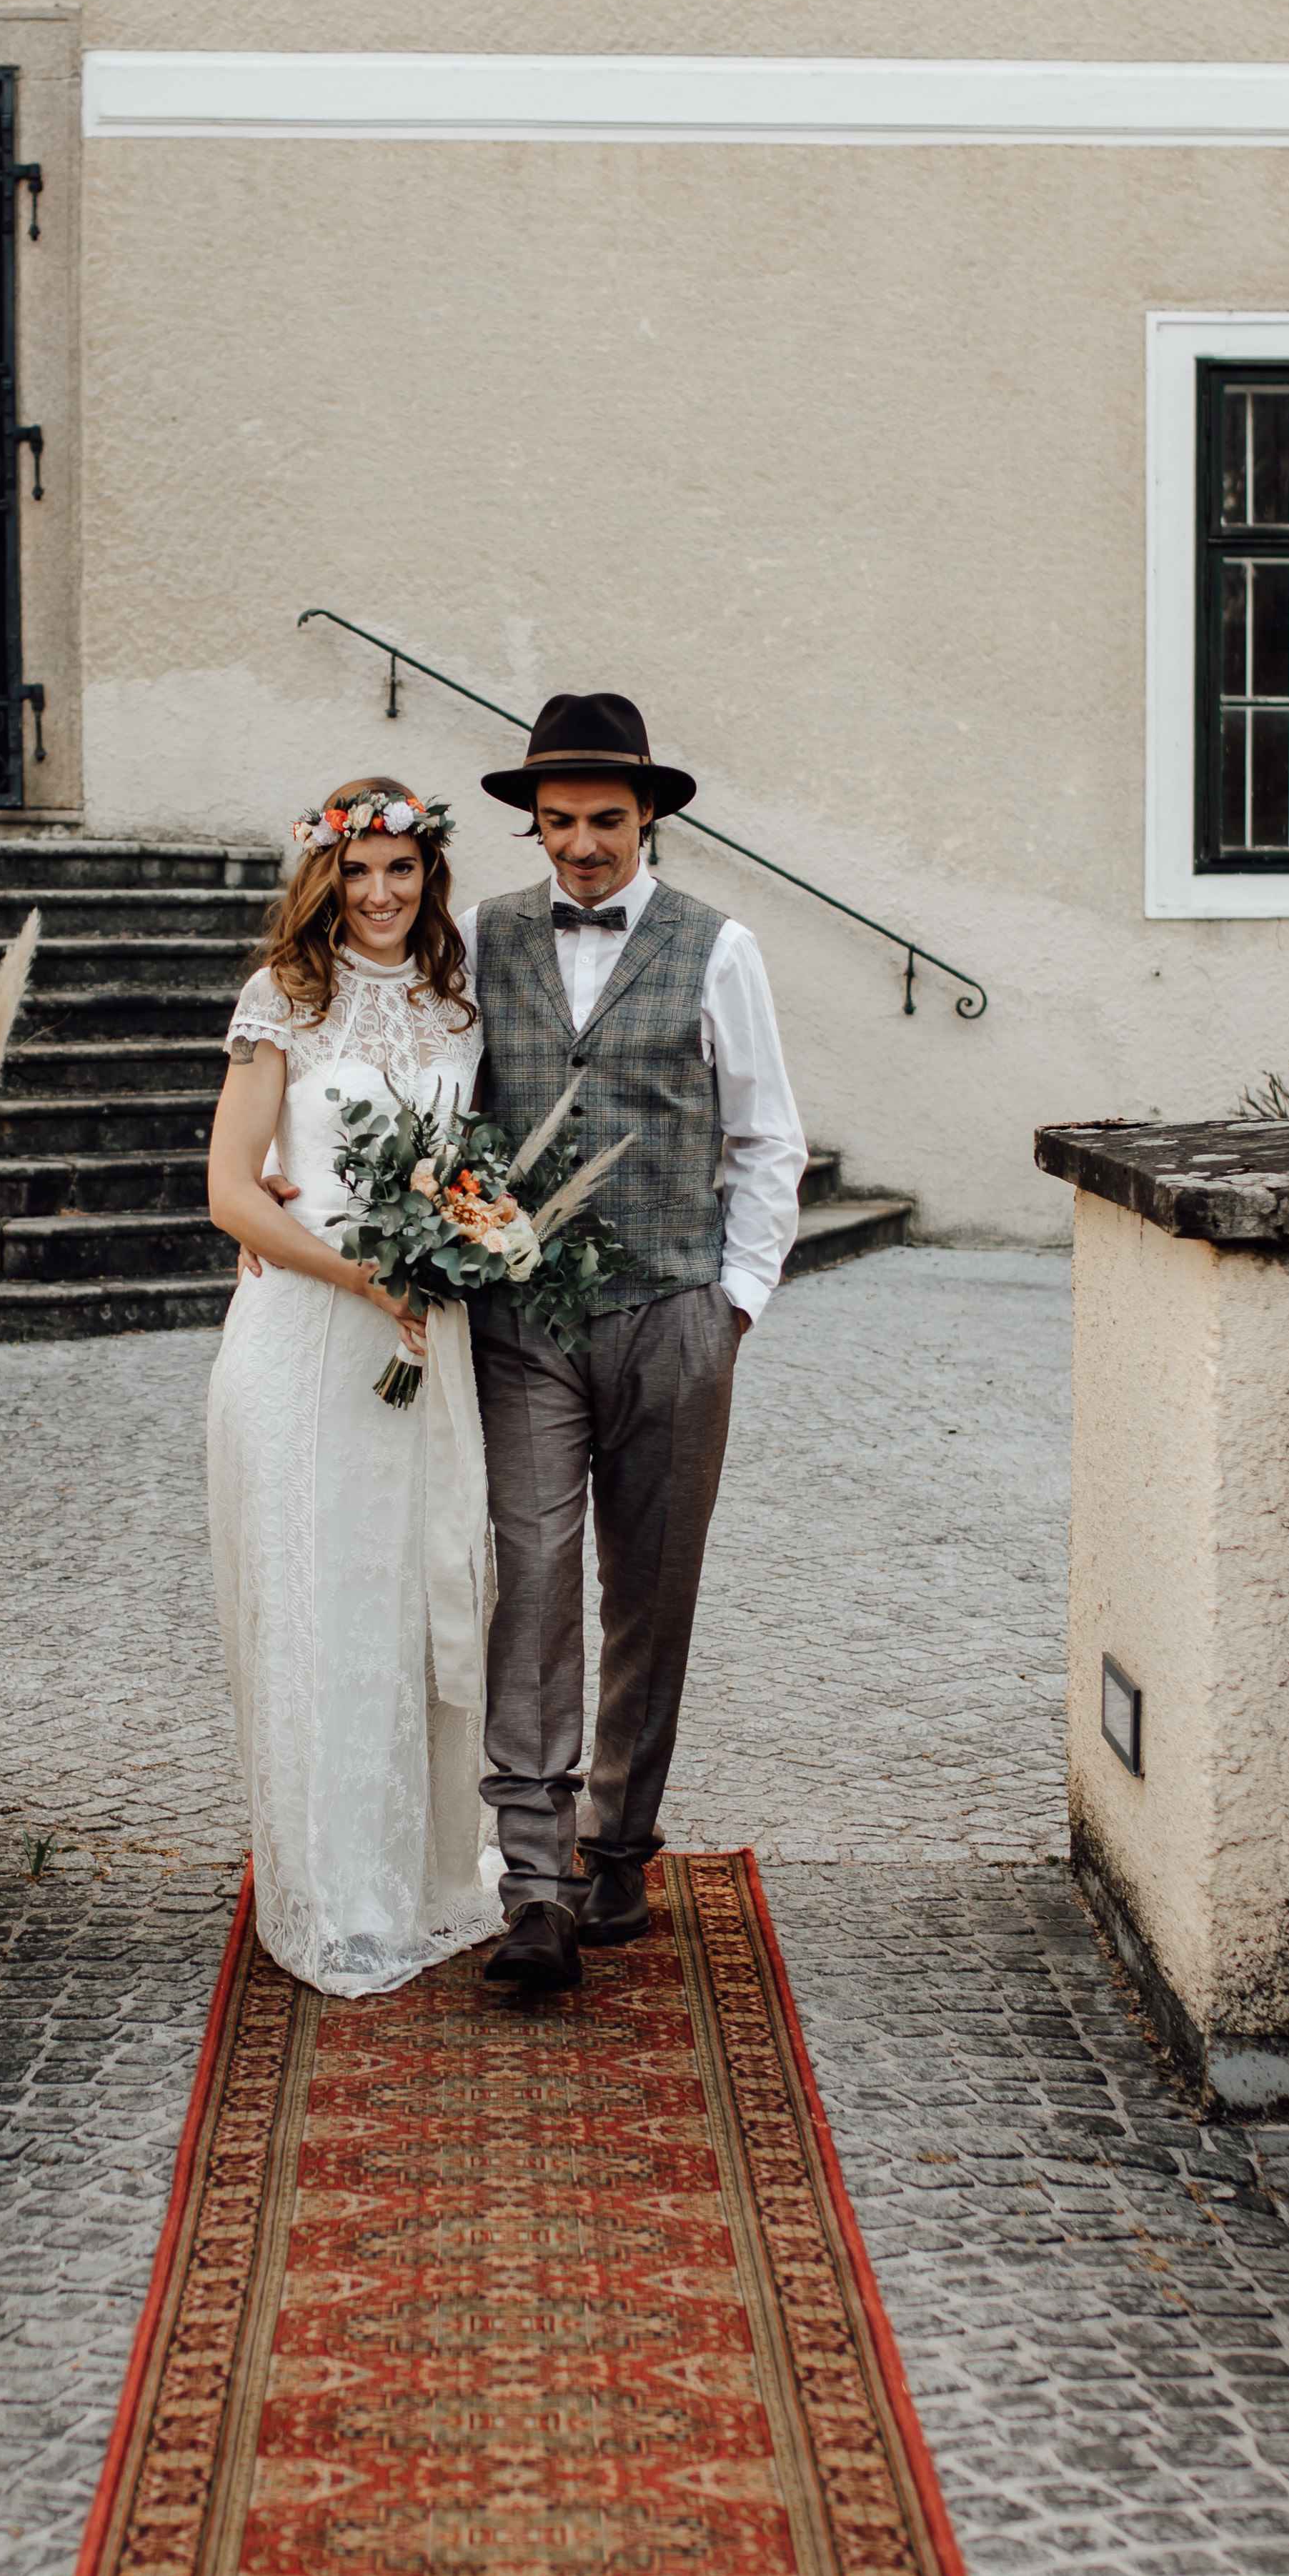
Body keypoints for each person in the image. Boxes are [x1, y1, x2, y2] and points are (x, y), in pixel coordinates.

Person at [464, 692, 805, 1995]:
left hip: (674, 1309)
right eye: (558, 824)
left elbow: (765, 1135)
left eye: (604, 821)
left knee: (651, 1590)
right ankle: (535, 1884)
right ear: (534, 825)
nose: (581, 847)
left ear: (647, 817)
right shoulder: (482, 937)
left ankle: (619, 1841)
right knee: (536, 1582)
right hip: (524, 1317)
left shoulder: (719, 947)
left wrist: (732, 1303)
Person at [204, 776, 499, 1995]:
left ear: (429, 877)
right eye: (359, 872)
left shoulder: (456, 1010)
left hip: (425, 1340)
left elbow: (474, 1167)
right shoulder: (283, 1000)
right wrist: (357, 1276)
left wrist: (470, 1240)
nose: (381, 895)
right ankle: (331, 1896)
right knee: (320, 1598)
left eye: (403, 870)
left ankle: (426, 1874)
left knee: (415, 1593)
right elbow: (230, 1189)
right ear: (325, 878)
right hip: (306, 1335)